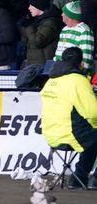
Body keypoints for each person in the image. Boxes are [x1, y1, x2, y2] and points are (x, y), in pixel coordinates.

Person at [40, 47, 97, 190]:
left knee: (91, 139)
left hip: (50, 135)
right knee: (91, 136)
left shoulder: (51, 81)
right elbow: (93, 113)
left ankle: (77, 180)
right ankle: (92, 178)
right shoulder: (78, 80)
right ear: (81, 63)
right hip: (70, 134)